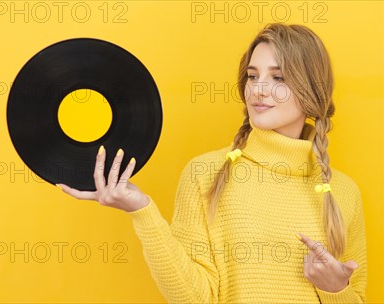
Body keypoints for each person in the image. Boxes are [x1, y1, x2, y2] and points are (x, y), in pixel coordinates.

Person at [55, 23, 367, 303]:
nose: (258, 89)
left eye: (278, 77)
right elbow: (195, 298)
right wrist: (142, 211)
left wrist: (335, 289)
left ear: (311, 89)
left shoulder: (344, 192)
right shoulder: (205, 173)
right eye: (252, 76)